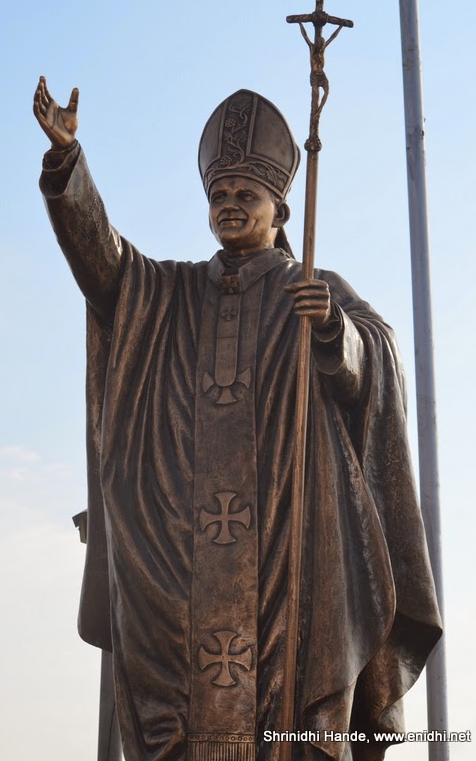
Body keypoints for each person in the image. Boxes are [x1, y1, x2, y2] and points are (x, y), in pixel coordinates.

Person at [34, 77, 442, 761]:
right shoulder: (172, 294)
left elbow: (377, 366)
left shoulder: (313, 288)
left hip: (288, 558)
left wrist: (333, 334)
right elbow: (104, 266)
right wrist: (69, 162)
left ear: (279, 209)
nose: (228, 206)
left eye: (243, 196)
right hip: (181, 563)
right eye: (218, 196)